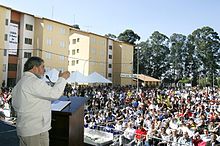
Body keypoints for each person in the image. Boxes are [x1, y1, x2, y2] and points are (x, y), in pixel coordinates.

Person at [12, 56, 70, 146]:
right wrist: (62, 79)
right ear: (35, 68)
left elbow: (16, 105)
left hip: (25, 129)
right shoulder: (33, 82)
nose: (44, 70)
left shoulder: (20, 83)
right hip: (35, 130)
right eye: (42, 67)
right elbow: (54, 94)